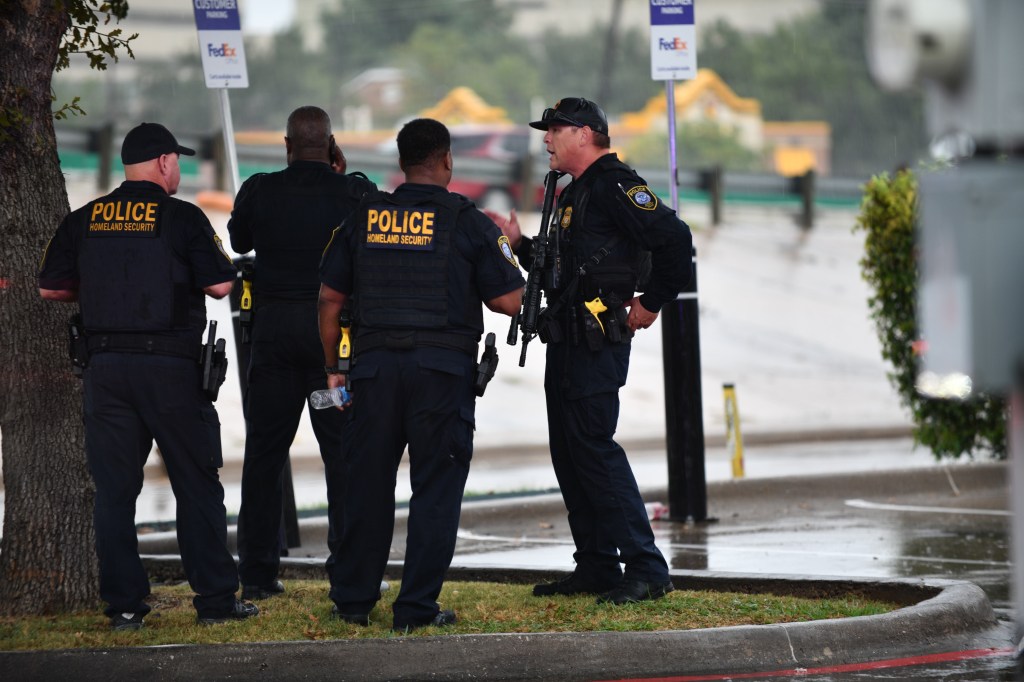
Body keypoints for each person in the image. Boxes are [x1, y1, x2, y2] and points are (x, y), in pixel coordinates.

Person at [38, 122, 258, 628]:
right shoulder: (182, 218)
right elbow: (223, 286)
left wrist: (100, 293)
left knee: (115, 491)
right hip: (171, 371)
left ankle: (125, 607)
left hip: (106, 369)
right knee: (196, 484)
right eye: (177, 161)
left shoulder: (85, 218)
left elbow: (50, 290)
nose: (179, 169)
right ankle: (217, 603)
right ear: (163, 162)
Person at [318, 118, 525, 631]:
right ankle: (414, 610)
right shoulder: (469, 221)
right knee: (435, 490)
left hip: (373, 370)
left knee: (366, 486)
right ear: (448, 160)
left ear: (402, 162)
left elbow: (328, 300)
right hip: (441, 373)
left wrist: (333, 369)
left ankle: (353, 603)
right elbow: (509, 300)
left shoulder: (365, 217)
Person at [486, 97, 693, 605]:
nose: (546, 140)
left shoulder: (615, 184)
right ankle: (598, 563)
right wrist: (519, 244)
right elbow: (566, 267)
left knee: (595, 450)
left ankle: (646, 567)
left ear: (584, 133)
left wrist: (651, 303)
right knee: (570, 454)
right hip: (567, 341)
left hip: (598, 342)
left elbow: (675, 238)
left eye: (554, 130)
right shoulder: (575, 193)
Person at [228, 106, 375, 601]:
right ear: (332, 145)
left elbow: (239, 238)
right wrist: (341, 175)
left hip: (271, 335)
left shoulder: (259, 189)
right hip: (331, 340)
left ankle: (256, 574)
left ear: (286, 145)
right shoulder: (354, 192)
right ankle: (346, 570)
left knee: (264, 455)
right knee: (342, 456)